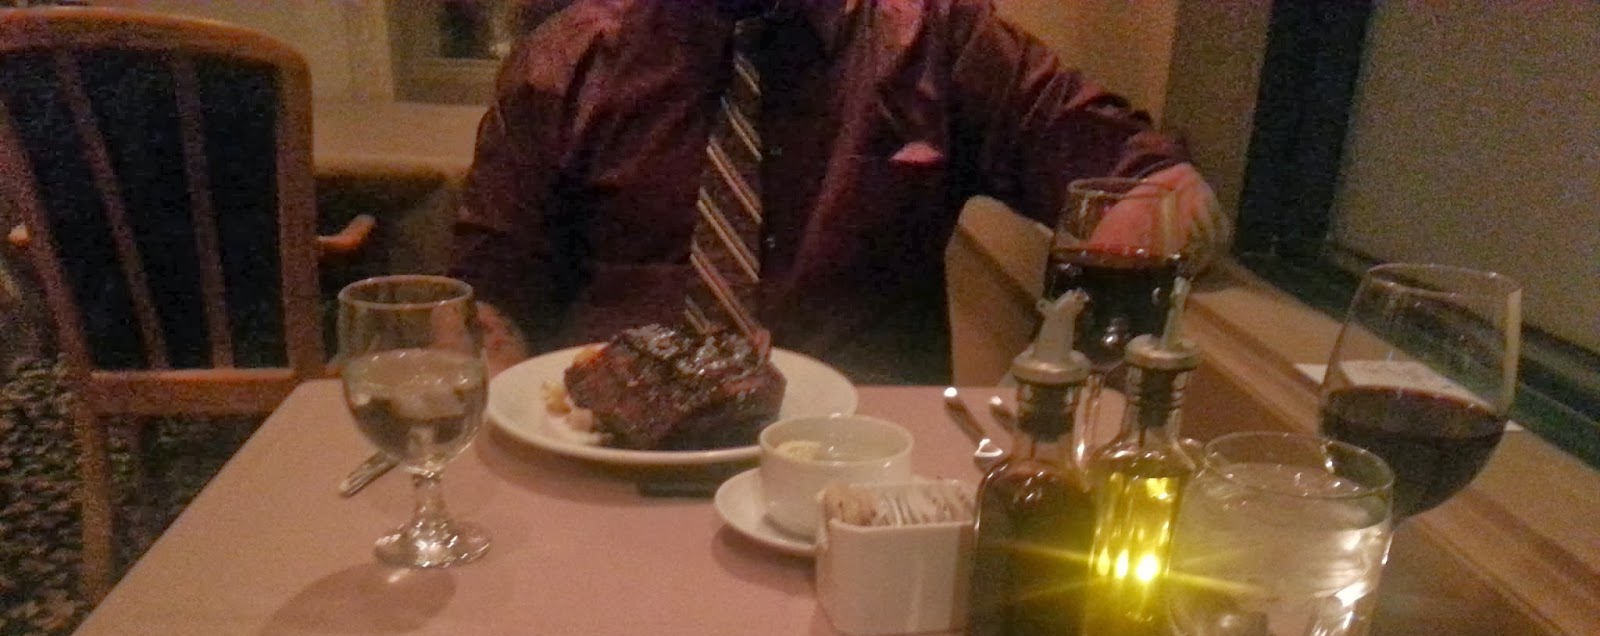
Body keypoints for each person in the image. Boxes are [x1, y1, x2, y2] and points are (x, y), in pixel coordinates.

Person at [450, 0, 1221, 383]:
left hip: (855, 490)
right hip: (606, 474)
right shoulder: (564, 60)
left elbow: (1154, 181)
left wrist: (1115, 293)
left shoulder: (933, 39)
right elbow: (488, 306)